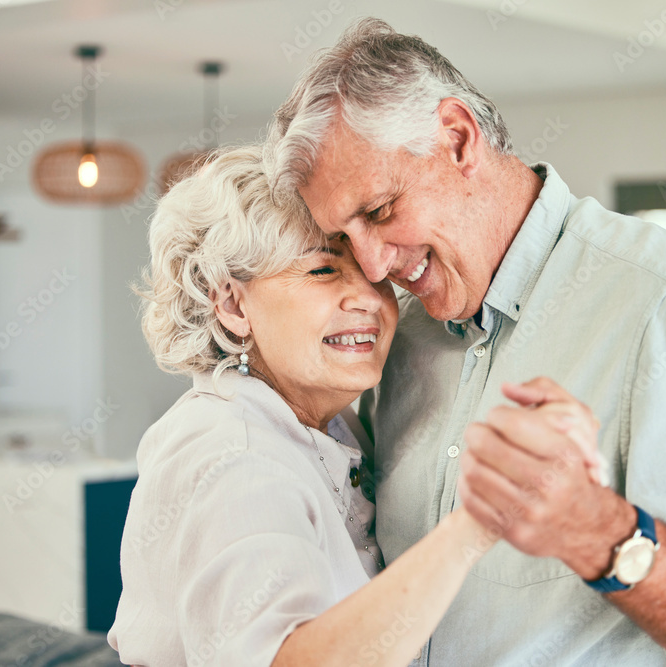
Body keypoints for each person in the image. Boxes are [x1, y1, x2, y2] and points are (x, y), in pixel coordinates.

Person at [265, 18, 666, 665]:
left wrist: (597, 531)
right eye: (344, 238)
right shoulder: (405, 340)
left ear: (458, 138)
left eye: (381, 211)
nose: (375, 265)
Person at [107, 144, 585, 666]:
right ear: (232, 305)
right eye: (322, 270)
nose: (370, 298)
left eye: (375, 275)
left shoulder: (329, 426)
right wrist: (479, 521)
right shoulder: (233, 455)